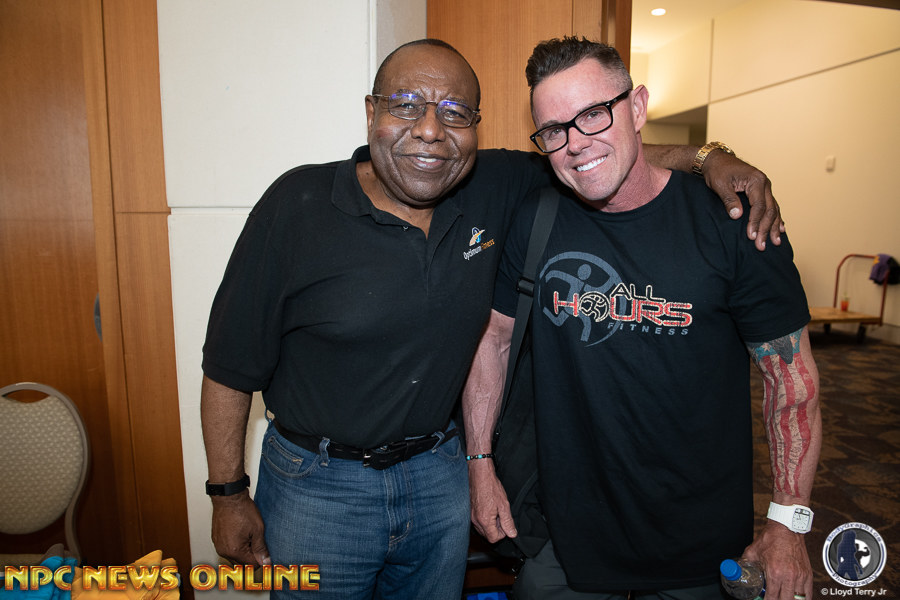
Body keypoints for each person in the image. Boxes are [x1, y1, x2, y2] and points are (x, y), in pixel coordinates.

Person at [201, 38, 786, 600]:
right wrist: (227, 494)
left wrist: (710, 159)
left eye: (455, 113)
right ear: (371, 113)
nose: (430, 130)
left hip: (439, 475)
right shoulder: (297, 205)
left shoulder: (493, 184)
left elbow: (597, 155)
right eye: (406, 105)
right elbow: (229, 366)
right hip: (318, 487)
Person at [464, 37, 821, 600]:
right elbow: (494, 340)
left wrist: (788, 522)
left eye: (593, 114)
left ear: (636, 108)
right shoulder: (536, 217)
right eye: (553, 130)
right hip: (564, 540)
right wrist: (479, 465)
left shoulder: (733, 223)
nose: (575, 144)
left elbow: (791, 381)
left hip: (700, 546)